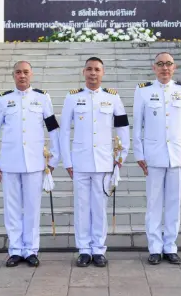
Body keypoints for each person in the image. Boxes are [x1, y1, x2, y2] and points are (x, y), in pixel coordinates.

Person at [55, 57, 130, 267]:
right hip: (79, 161)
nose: (93, 73)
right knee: (81, 207)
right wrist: (67, 161)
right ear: (83, 72)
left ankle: (98, 249)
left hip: (104, 162)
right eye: (89, 69)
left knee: (99, 207)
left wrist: (120, 158)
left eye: (97, 69)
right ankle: (84, 250)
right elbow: (64, 131)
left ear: (102, 73)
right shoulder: (72, 98)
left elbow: (123, 128)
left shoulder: (112, 97)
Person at [0, 60, 60, 268]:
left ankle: (31, 250)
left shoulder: (42, 98)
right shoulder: (4, 100)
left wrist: (54, 158)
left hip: (35, 163)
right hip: (9, 163)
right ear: (13, 75)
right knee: (12, 209)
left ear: (31, 74)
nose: (22, 75)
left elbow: (53, 129)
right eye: (18, 72)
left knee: (32, 208)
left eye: (26, 72)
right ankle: (15, 250)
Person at [132, 52, 181, 265]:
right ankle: (154, 248)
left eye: (168, 64)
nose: (165, 68)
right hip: (153, 156)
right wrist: (139, 153)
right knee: (153, 204)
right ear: (154, 67)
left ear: (174, 67)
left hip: (178, 156)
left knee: (174, 204)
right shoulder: (143, 91)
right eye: (160, 64)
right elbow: (137, 125)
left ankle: (170, 246)